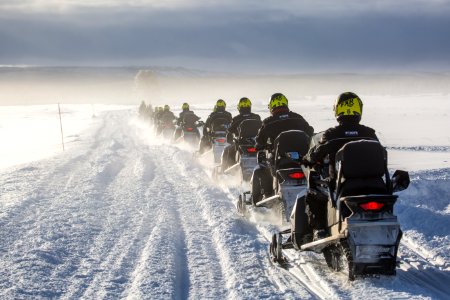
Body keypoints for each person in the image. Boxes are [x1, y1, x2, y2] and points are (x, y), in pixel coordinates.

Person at [303, 91, 379, 240]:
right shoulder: (369, 133)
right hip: (375, 185)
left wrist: (307, 159)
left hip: (342, 185)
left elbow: (315, 154)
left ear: (337, 110)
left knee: (313, 193)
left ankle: (320, 229)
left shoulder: (332, 134)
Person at [251, 93, 314, 203]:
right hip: (302, 160)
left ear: (271, 106)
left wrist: (260, 146)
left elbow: (259, 141)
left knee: (261, 169)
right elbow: (310, 131)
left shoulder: (268, 122)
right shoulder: (298, 118)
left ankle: (266, 195)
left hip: (280, 160)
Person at [221, 97, 261, 171]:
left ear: (239, 107)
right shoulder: (257, 117)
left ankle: (224, 171)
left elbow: (230, 131)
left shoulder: (236, 119)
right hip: (256, 144)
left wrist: (231, 138)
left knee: (227, 150)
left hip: (242, 144)